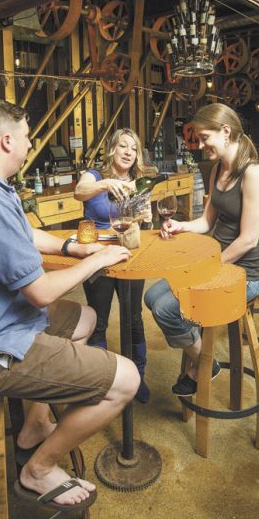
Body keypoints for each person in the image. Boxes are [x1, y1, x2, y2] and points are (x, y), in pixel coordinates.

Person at [0, 99, 140, 515]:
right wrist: (97, 260)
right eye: (26, 137)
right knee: (125, 380)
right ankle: (39, 470)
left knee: (88, 317)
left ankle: (36, 423)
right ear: (7, 140)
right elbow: (40, 292)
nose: (29, 145)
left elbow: (25, 231)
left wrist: (72, 247)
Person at [145, 103, 259, 396]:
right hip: (216, 264)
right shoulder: (217, 170)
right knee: (152, 296)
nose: (200, 145)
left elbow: (248, 240)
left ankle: (203, 361)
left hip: (245, 274)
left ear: (225, 132)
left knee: (165, 308)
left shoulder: (254, 174)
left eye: (204, 138)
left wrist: (207, 267)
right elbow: (206, 221)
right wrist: (181, 226)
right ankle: (202, 357)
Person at [74, 128, 152, 403]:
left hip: (129, 256)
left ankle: (138, 379)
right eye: (123, 146)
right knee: (98, 320)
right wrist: (106, 184)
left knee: (133, 318)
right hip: (98, 257)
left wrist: (146, 214)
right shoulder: (94, 176)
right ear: (112, 149)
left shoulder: (138, 183)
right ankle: (100, 382)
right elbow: (79, 192)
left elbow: (144, 222)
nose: (129, 151)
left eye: (134, 148)